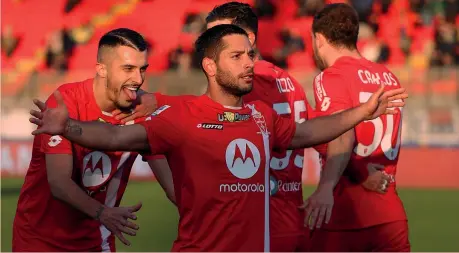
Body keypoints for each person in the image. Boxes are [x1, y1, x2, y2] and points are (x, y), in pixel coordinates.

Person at [29, 24, 407, 252]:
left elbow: (309, 132)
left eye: (250, 55)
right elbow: (115, 137)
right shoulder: (181, 116)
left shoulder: (261, 117)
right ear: (210, 66)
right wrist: (70, 129)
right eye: (237, 57)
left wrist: (363, 111)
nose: (249, 64)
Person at [111, 2, 392, 251]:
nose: (213, 42)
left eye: (220, 34)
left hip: (258, 225)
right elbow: (318, 132)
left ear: (249, 40)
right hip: (293, 218)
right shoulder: (287, 81)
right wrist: (355, 172)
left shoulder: (249, 86)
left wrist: (158, 103)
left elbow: (206, 120)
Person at [12, 28, 150, 252]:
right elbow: (59, 183)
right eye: (128, 69)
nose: (138, 79)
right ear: (101, 69)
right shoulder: (65, 104)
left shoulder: (140, 111)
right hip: (39, 242)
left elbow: (170, 174)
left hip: (97, 242)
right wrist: (103, 213)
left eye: (142, 69)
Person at [303, 3, 411, 252]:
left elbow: (342, 134)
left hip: (345, 214)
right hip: (390, 215)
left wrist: (354, 175)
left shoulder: (331, 76)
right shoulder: (387, 76)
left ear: (319, 39)